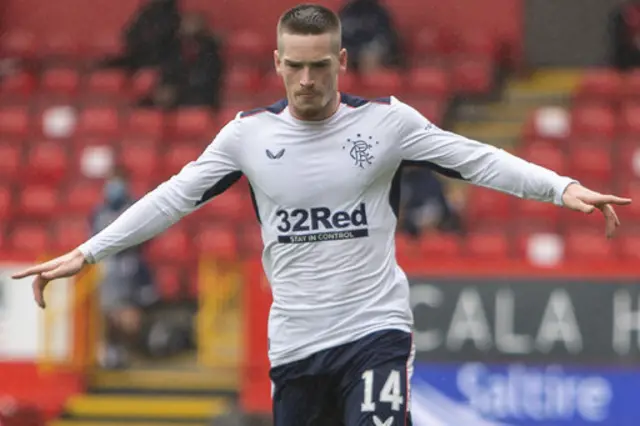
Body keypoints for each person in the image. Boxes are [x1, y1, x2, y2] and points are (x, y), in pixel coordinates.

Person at [12, 4, 631, 426]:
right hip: (296, 345)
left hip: (375, 330)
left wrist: (562, 186)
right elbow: (173, 196)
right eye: (295, 65)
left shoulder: (387, 123)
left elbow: (475, 159)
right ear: (277, 64)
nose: (307, 79)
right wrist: (87, 251)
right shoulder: (246, 137)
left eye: (319, 65)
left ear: (341, 60)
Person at [91, 171, 155, 368]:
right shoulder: (99, 212)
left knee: (129, 317)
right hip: (106, 270)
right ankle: (108, 354)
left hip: (129, 273)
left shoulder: (135, 208)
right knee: (104, 317)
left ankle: (132, 354)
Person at [138, 12, 224, 110]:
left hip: (198, 97)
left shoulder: (210, 54)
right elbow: (168, 72)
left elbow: (205, 81)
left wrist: (176, 92)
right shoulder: (174, 50)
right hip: (174, 94)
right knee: (144, 106)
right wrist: (164, 89)